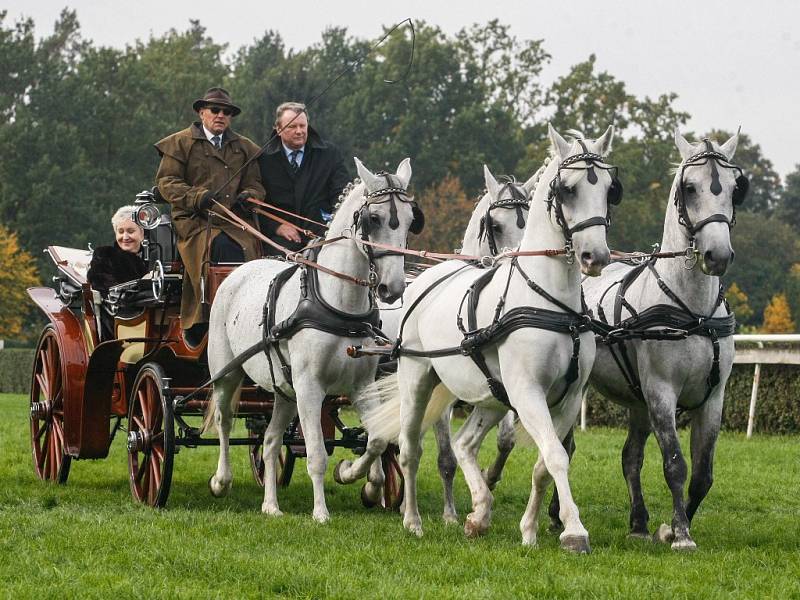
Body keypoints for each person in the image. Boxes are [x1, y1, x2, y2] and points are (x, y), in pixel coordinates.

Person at [154, 87, 265, 346]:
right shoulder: (180, 143)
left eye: (226, 112)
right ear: (201, 112)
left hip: (236, 222)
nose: (220, 115)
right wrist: (196, 197)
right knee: (218, 248)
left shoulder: (244, 147)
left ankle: (252, 318)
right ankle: (203, 320)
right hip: (194, 222)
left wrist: (248, 195)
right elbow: (166, 183)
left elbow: (257, 185)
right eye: (215, 110)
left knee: (256, 251)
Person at [258, 102, 350, 253]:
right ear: (278, 129)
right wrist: (276, 227)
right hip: (279, 241)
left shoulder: (329, 155)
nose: (299, 131)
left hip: (323, 236)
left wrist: (331, 227)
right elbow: (256, 206)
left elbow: (342, 195)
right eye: (292, 127)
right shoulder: (263, 159)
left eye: (303, 126)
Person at [87, 205, 148, 297]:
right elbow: (106, 291)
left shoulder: (155, 256)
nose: (125, 237)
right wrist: (144, 283)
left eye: (131, 231)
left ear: (142, 233)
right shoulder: (105, 255)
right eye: (120, 232)